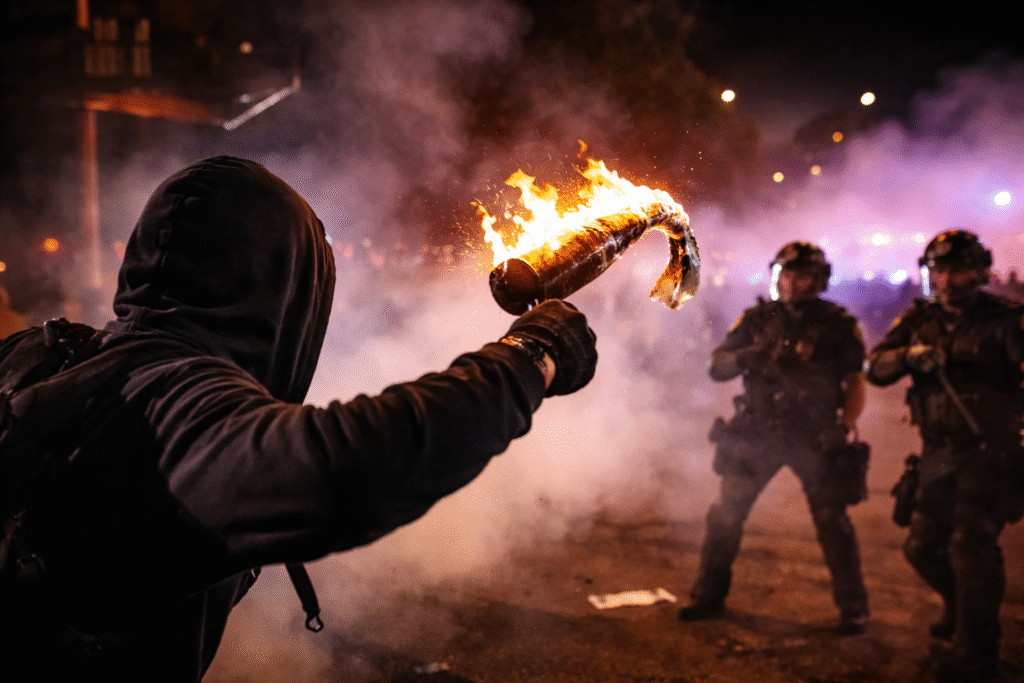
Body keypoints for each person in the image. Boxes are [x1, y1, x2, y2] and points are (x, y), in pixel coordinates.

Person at [0, 156, 599, 681]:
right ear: (285, 290)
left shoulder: (38, 353)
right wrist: (530, 358)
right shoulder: (181, 400)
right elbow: (353, 467)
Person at [677, 241, 869, 634]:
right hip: (757, 432)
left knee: (833, 521)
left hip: (813, 436)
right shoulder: (755, 319)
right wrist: (748, 355)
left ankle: (853, 608)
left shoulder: (837, 323)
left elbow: (856, 381)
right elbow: (717, 367)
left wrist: (845, 426)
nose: (792, 283)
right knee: (725, 514)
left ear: (819, 281)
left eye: (802, 276)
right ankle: (708, 595)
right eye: (786, 274)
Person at [865, 229, 1024, 682]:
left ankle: (979, 655)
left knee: (971, 550)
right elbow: (874, 368)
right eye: (938, 269)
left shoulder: (1007, 320)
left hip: (989, 454)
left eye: (957, 269)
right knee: (920, 546)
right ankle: (962, 610)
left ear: (979, 271)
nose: (946, 279)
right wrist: (910, 358)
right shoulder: (919, 321)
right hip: (937, 454)